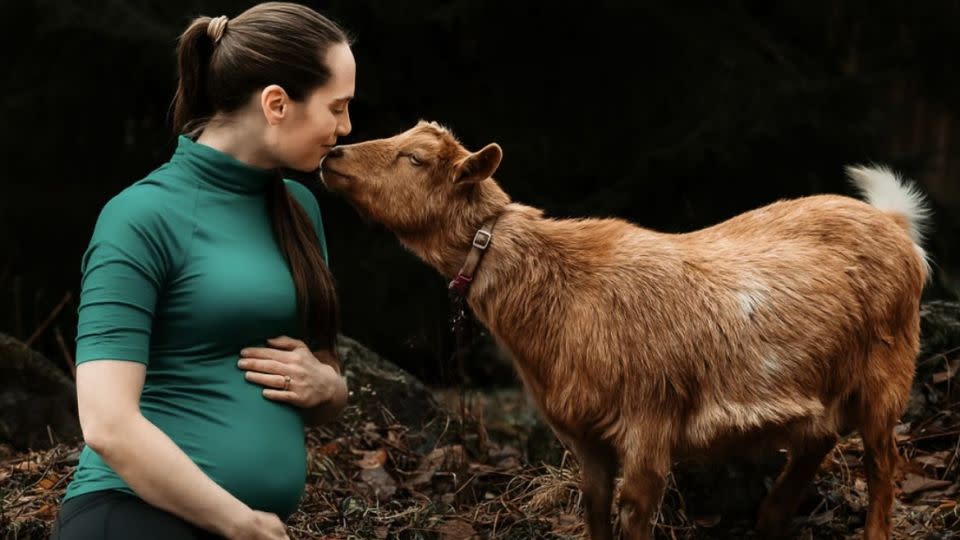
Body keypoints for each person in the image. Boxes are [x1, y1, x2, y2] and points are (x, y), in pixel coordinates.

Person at [51, 3, 354, 539]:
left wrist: (328, 388)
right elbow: (107, 424)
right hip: (133, 515)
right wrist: (240, 523)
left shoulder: (299, 212)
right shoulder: (140, 218)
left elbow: (324, 372)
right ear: (277, 104)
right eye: (337, 108)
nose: (346, 128)